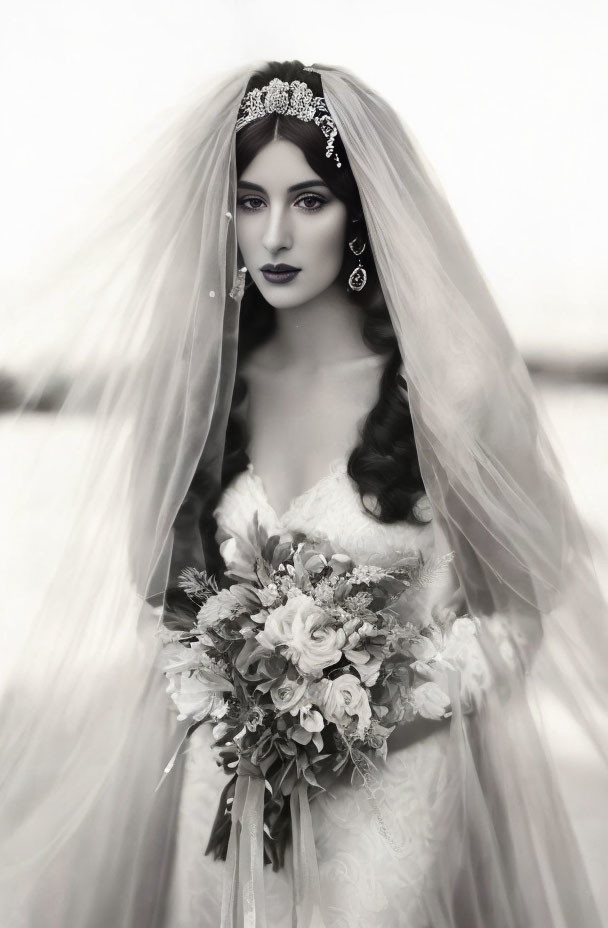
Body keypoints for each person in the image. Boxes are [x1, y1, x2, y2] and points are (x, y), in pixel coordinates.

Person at [1, 59, 607, 927]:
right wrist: (229, 684)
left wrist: (368, 704)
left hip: (389, 803)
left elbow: (515, 618)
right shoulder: (205, 389)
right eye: (251, 201)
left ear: (360, 215)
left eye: (309, 200)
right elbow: (159, 600)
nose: (275, 234)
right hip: (225, 794)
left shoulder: (450, 393)